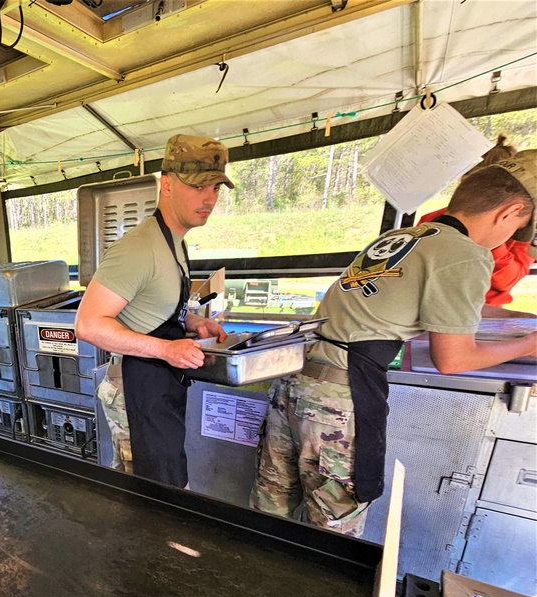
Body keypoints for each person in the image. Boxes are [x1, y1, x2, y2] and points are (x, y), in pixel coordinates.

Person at [250, 151, 537, 536]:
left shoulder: (401, 238)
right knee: (333, 529)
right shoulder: (465, 254)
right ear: (509, 211)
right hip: (338, 401)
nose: (511, 237)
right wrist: (529, 344)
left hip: (294, 382)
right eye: (518, 226)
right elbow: (452, 359)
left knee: (269, 510)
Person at [76, 134, 231, 488]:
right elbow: (87, 324)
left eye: (216, 188)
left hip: (158, 384)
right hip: (134, 388)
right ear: (167, 185)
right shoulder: (138, 247)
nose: (208, 198)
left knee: (167, 486)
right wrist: (165, 349)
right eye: (198, 186)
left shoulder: (175, 242)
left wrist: (194, 323)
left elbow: (154, 305)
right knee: (148, 499)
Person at [416, 135, 536, 318]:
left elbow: (506, 282)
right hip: (440, 309)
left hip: (488, 312)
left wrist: (494, 243)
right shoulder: (434, 220)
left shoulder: (521, 227)